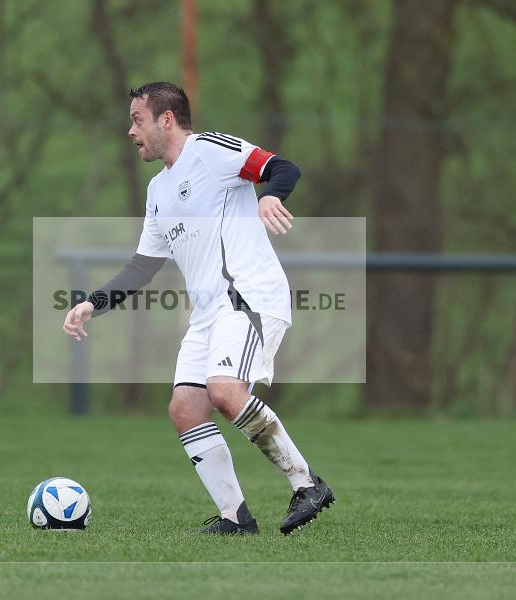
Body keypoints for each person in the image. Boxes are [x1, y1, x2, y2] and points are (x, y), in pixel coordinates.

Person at [63, 82, 332, 535]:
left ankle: (307, 484)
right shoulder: (157, 190)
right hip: (207, 313)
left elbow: (282, 168)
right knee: (186, 408)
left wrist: (270, 195)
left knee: (224, 391)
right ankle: (236, 517)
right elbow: (143, 266)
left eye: (137, 119)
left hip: (247, 296)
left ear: (166, 119)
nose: (131, 131)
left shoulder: (210, 150)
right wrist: (93, 303)